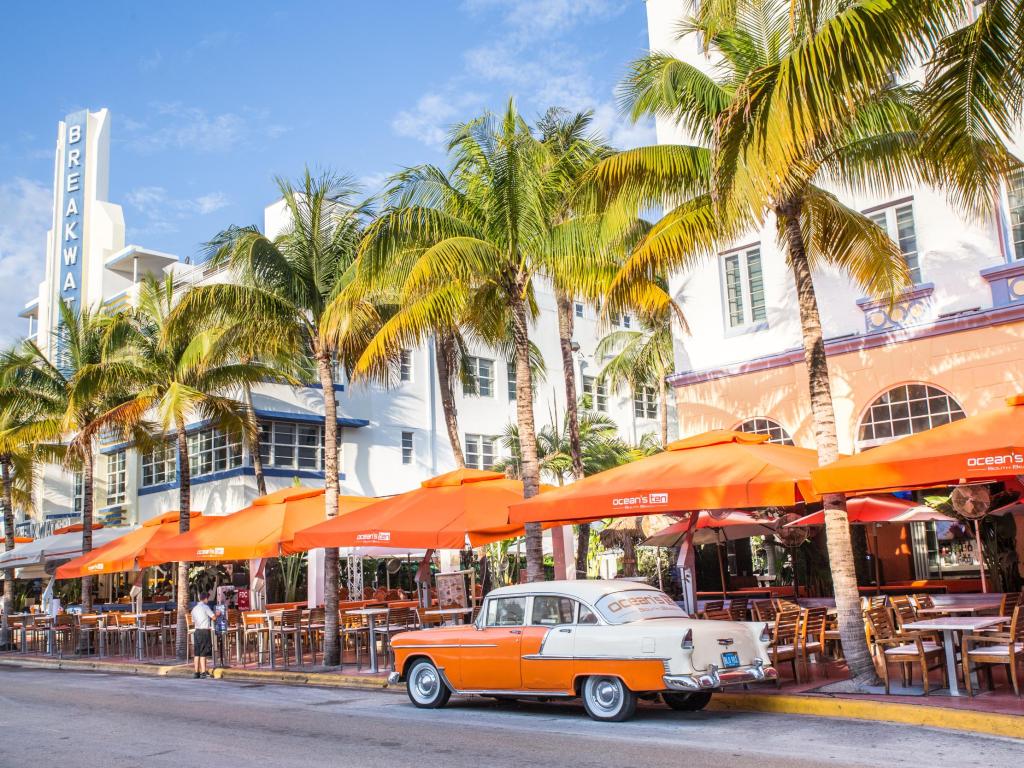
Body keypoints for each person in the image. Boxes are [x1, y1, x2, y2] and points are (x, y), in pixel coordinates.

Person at [191, 593, 215, 679]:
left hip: (197, 631)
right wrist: (218, 613)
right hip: (204, 631)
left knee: (197, 653)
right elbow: (214, 617)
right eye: (207, 599)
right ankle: (204, 672)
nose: (208, 600)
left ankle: (196, 672)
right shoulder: (205, 607)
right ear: (205, 599)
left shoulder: (194, 609)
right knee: (203, 653)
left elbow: (193, 621)